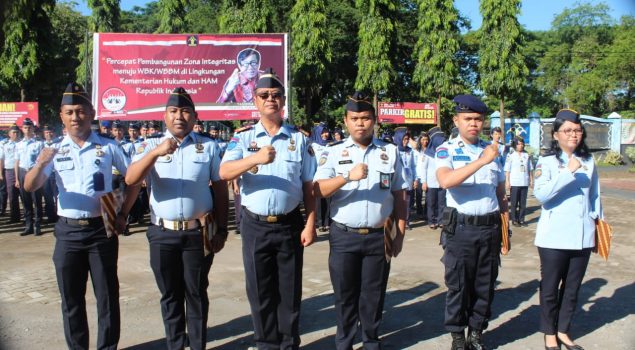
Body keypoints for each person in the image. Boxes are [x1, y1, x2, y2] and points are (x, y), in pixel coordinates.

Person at [23, 82, 139, 350]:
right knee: (71, 298)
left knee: (107, 296)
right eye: (70, 112)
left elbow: (134, 179)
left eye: (81, 110)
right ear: (61, 115)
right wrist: (41, 163)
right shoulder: (53, 149)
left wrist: (123, 212)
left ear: (92, 112)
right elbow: (30, 186)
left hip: (101, 230)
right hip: (68, 233)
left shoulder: (109, 147)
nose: (76, 117)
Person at [219, 68, 316, 349]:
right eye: (264, 95)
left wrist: (310, 223)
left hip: (289, 223)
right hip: (255, 225)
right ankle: (265, 344)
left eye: (276, 95)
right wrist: (254, 159)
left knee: (289, 292)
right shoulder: (243, 137)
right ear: (255, 100)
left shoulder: (299, 139)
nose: (270, 99)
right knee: (260, 292)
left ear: (283, 101)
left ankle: (288, 345)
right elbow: (224, 171)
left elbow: (309, 186)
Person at [125, 87, 228, 350]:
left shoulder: (209, 146)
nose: (179, 116)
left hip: (198, 232)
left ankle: (197, 346)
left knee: (196, 293)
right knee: (170, 295)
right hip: (162, 233)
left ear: (195, 117)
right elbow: (131, 179)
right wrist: (155, 153)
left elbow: (218, 187)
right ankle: (174, 345)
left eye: (185, 111)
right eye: (173, 111)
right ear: (165, 116)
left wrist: (222, 229)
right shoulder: (149, 145)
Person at [313, 91, 408, 350]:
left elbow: (400, 195)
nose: (360, 123)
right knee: (345, 296)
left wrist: (399, 233)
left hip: (379, 236)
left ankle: (370, 341)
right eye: (354, 118)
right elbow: (318, 190)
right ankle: (344, 343)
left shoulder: (390, 151)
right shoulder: (332, 153)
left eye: (365, 118)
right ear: (345, 121)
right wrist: (347, 176)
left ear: (374, 121)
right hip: (344, 236)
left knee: (373, 295)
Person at [435, 95, 508, 350]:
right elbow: (446, 181)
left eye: (478, 119)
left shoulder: (493, 151)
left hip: (490, 227)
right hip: (461, 228)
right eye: (468, 119)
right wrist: (481, 161)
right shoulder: (447, 149)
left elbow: (500, 192)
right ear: (456, 120)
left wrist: (505, 225)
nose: (473, 124)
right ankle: (457, 335)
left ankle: (476, 332)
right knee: (458, 285)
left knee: (485, 284)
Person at [534, 109, 601, 350]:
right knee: (550, 288)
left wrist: (597, 226)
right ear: (556, 134)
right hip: (553, 238)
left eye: (577, 130)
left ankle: (563, 331)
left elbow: (594, 197)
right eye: (568, 130)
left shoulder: (589, 160)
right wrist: (567, 171)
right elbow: (542, 195)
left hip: (582, 236)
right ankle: (549, 333)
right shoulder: (547, 161)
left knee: (572, 289)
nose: (574, 134)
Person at [15, 118, 45, 236]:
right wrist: (17, 178)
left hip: (34, 172)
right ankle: (29, 225)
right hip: (23, 172)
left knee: (36, 200)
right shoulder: (18, 144)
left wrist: (40, 176)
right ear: (22, 129)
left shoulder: (39, 143)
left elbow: (42, 161)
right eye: (25, 128)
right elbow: (16, 162)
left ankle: (37, 225)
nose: (27, 130)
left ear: (33, 129)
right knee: (25, 200)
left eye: (29, 128)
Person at [420, 127, 447, 229]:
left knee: (441, 203)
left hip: (442, 182)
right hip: (431, 183)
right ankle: (431, 220)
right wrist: (424, 182)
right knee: (431, 203)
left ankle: (440, 220)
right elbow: (424, 169)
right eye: (439, 138)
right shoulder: (427, 153)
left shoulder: (444, 152)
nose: (442, 141)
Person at [505, 137, 533, 227]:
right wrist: (507, 181)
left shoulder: (527, 155)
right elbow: (507, 170)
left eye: (522, 144)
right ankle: (514, 220)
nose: (521, 146)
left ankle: (521, 219)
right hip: (515, 182)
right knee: (514, 203)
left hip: (524, 181)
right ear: (515, 145)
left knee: (523, 203)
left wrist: (531, 180)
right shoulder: (511, 156)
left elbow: (530, 169)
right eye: (518, 144)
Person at [311, 123, 331, 232]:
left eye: (326, 132)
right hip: (317, 180)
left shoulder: (331, 145)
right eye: (322, 132)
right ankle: (320, 222)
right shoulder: (313, 146)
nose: (325, 134)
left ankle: (327, 222)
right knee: (319, 203)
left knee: (328, 202)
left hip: (330, 179)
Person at [394, 128, 415, 229]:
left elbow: (413, 166)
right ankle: (398, 220)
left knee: (408, 202)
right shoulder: (394, 150)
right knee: (399, 202)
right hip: (398, 181)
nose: (405, 141)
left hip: (409, 180)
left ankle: (407, 221)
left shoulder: (410, 151)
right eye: (403, 139)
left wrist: (416, 179)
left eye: (407, 139)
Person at [0, 125, 21, 222]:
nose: (16, 134)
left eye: (17, 132)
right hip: (9, 171)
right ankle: (15, 217)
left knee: (25, 195)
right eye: (13, 132)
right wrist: (1, 173)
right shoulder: (4, 144)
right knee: (12, 195)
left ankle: (27, 216)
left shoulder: (23, 143)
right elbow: (1, 159)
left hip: (22, 171)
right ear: (9, 134)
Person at [42, 125, 59, 223]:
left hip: (56, 173)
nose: (49, 134)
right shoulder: (41, 144)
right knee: (47, 195)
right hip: (45, 174)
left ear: (54, 133)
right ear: (44, 134)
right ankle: (50, 216)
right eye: (46, 133)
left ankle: (59, 215)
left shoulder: (59, 144)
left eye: (50, 132)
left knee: (57, 196)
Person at [413, 132, 429, 220]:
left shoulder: (430, 151)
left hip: (427, 176)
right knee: (418, 195)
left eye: (426, 139)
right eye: (423, 139)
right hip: (418, 176)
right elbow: (414, 164)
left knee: (428, 196)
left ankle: (426, 212)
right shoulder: (416, 151)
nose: (425, 141)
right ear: (420, 140)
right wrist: (414, 178)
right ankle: (419, 212)